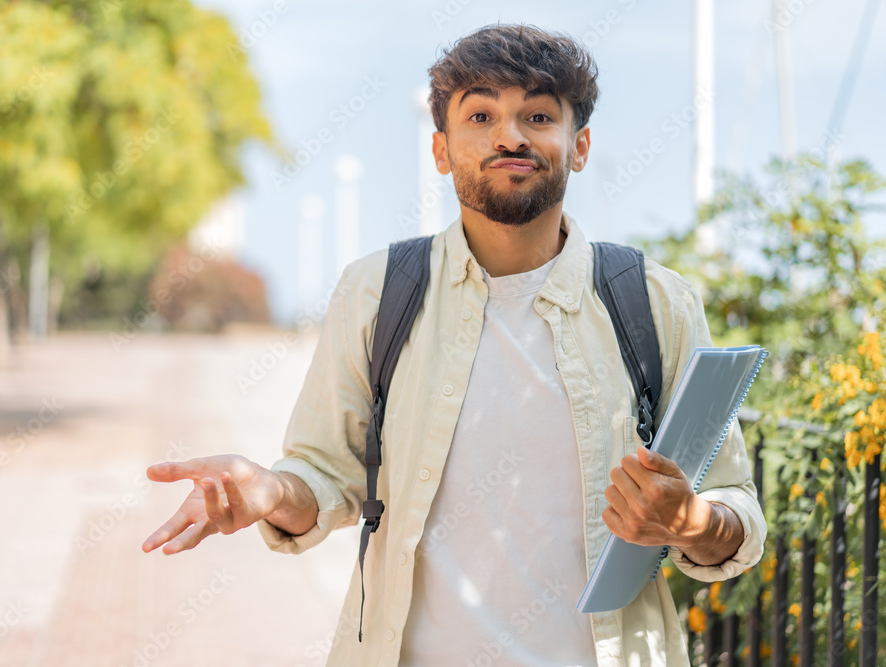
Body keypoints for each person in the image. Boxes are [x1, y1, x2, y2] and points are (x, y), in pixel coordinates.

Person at [142, 23, 766, 666]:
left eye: (538, 115)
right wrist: (271, 492)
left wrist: (691, 522)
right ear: (441, 149)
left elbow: (734, 508)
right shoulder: (376, 293)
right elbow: (325, 478)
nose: (510, 135)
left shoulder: (656, 303)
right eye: (481, 114)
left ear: (579, 146)